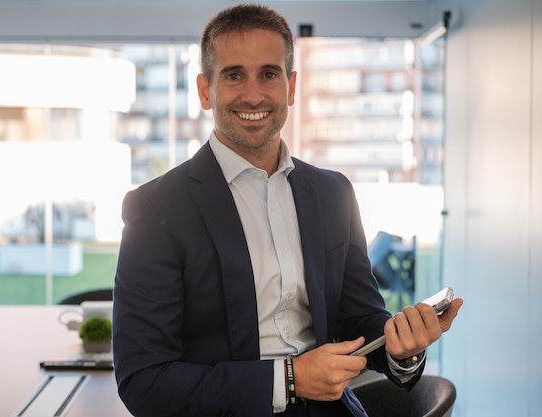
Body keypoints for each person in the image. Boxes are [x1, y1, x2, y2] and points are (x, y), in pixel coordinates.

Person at [112, 4, 463, 417]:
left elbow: (360, 321)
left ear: (291, 86)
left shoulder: (333, 193)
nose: (254, 94)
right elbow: (144, 382)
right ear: (205, 90)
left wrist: (402, 348)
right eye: (233, 75)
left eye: (269, 74)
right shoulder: (155, 209)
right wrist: (289, 380)